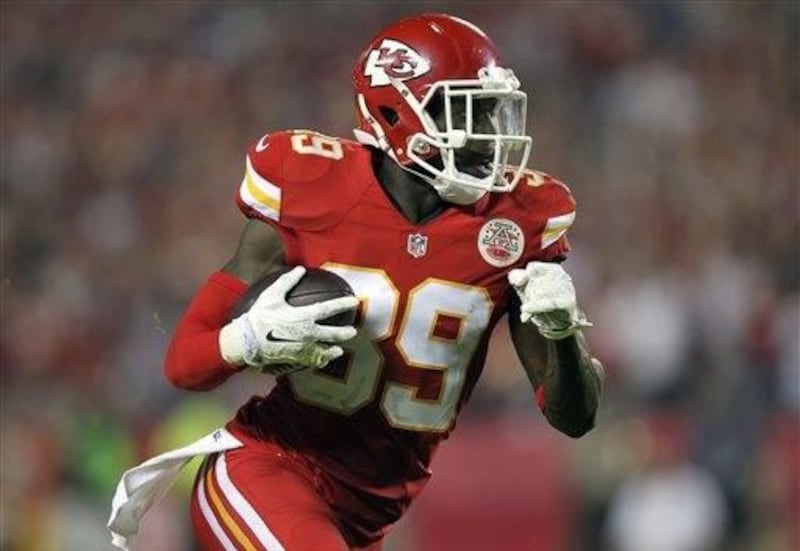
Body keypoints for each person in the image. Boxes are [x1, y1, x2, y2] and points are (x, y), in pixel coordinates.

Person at [109, 12, 604, 551]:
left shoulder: (518, 223)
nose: (489, 135)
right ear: (396, 113)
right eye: (466, 111)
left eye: (491, 111)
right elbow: (184, 363)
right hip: (268, 470)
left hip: (367, 516)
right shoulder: (311, 185)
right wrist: (246, 340)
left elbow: (574, 418)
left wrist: (562, 334)